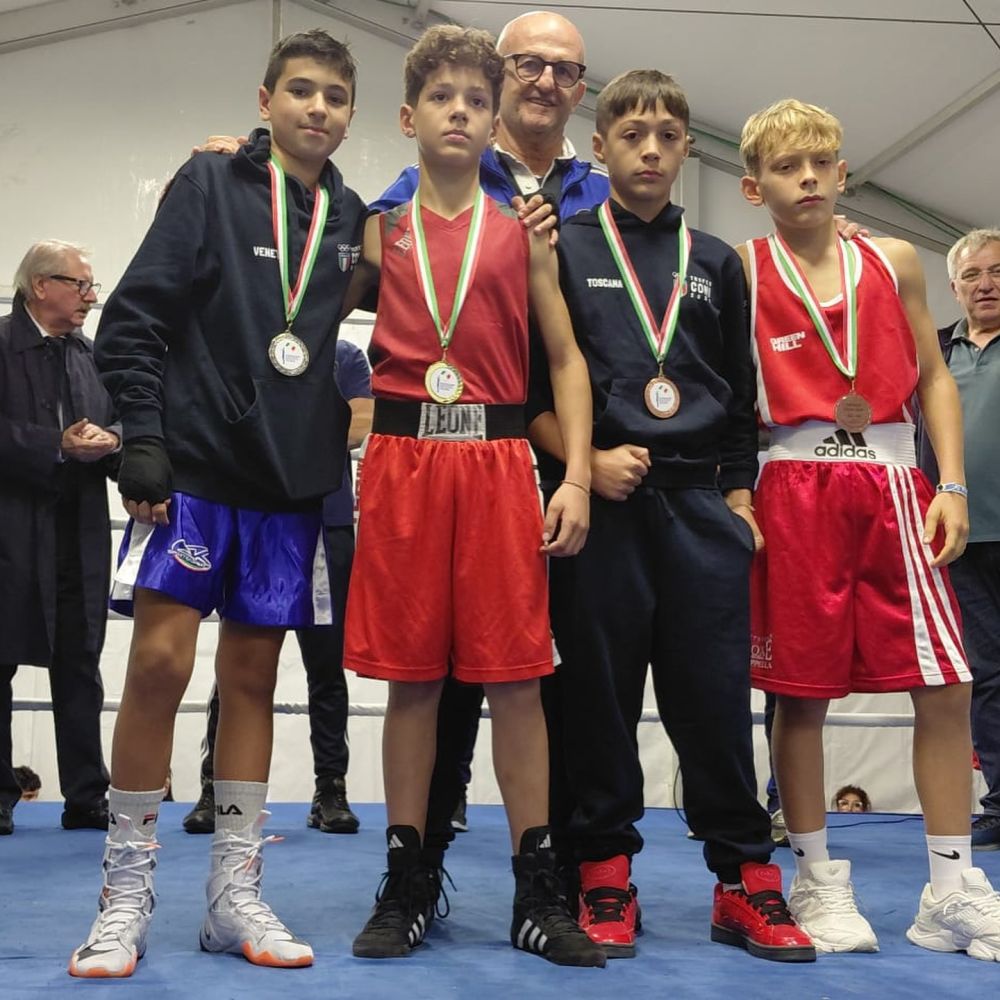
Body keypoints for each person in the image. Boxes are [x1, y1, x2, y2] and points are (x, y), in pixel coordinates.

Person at [68, 29, 367, 978]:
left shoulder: (355, 216)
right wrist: (143, 436)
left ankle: (232, 895)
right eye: (301, 90)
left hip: (287, 484)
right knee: (158, 665)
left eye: (335, 96)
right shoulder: (209, 182)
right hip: (195, 470)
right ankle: (123, 895)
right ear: (266, 100)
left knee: (252, 679)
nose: (318, 107)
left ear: (352, 114)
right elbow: (133, 316)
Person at [525, 70, 813, 963]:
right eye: (632, 135)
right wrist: (584, 465)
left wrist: (738, 495)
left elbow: (739, 396)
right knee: (598, 702)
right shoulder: (561, 246)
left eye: (667, 136)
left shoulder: (718, 261)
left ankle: (745, 879)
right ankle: (603, 872)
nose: (650, 150)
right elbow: (529, 396)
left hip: (699, 505)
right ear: (599, 146)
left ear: (688, 147)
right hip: (601, 502)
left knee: (716, 703)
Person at [342, 24, 603, 968]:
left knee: (518, 681)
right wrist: (239, 160)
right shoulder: (378, 230)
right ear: (408, 117)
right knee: (413, 684)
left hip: (497, 463)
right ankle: (407, 878)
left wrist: (576, 476)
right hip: (405, 463)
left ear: (495, 123)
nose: (459, 112)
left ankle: (539, 890)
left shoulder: (524, 231)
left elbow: (566, 359)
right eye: (442, 98)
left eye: (476, 101)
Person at [740, 98, 1000, 959]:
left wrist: (951, 483)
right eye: (788, 166)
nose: (808, 177)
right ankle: (815, 877)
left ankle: (950, 889)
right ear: (754, 186)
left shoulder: (893, 259)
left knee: (947, 682)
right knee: (801, 696)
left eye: (821, 161)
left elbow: (933, 376)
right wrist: (737, 493)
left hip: (893, 478)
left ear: (844, 172)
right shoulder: (743, 270)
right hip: (791, 485)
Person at [183, 337, 372, 836]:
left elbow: (361, 422)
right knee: (240, 658)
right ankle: (215, 786)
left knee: (326, 662)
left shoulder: (344, 355)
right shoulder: (252, 341)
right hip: (257, 515)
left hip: (325, 521)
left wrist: (280, 435)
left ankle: (330, 788)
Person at [1, 241, 117, 840]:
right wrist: (54, 445)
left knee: (80, 664)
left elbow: (123, 419)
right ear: (41, 285)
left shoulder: (90, 356)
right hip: (9, 530)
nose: (91, 298)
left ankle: (87, 796)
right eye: (81, 285)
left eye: (92, 287)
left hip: (78, 531)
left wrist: (112, 440)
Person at [919, 229, 1000, 852]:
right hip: (958, 540)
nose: (986, 284)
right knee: (985, 675)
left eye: (997, 272)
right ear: (953, 287)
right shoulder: (933, 352)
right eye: (972, 275)